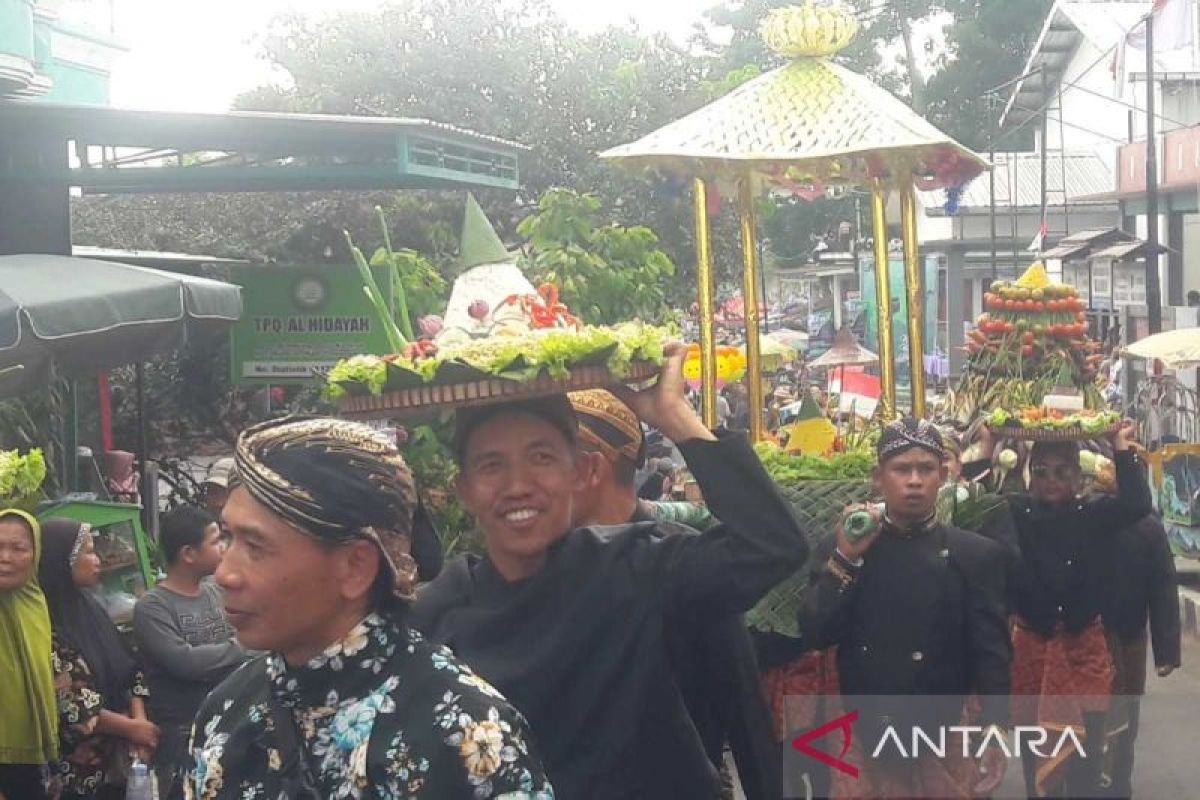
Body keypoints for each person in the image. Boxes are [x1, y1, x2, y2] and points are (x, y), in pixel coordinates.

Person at [411, 345, 807, 798]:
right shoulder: (436, 615)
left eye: (541, 458)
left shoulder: (639, 568)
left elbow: (772, 546)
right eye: (491, 465)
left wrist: (675, 417)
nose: (517, 486)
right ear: (464, 489)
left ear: (581, 471)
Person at [184, 417, 552, 799]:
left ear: (355, 566)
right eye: (228, 537)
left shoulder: (465, 733)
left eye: (256, 547)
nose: (225, 573)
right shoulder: (226, 712)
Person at [566, 389, 778, 800]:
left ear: (592, 466)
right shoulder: (552, 564)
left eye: (549, 460)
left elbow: (742, 704)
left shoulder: (680, 563)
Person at [795, 418, 1011, 799]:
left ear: (943, 475)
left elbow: (992, 652)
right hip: (863, 731)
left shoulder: (975, 554)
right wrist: (846, 559)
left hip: (945, 729)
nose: (914, 480)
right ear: (878, 477)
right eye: (901, 469)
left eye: (925, 469)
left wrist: (995, 728)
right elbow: (815, 629)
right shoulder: (844, 545)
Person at [967, 423, 1151, 798]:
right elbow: (977, 501)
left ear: (1078, 475)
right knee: (1040, 761)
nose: (1052, 480)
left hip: (1085, 651)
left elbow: (1137, 505)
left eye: (1062, 471)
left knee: (1087, 755)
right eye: (1042, 471)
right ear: (1030, 475)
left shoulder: (1095, 513)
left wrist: (1119, 444)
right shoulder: (1016, 511)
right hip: (1034, 649)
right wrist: (988, 444)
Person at [133, 506, 250, 798]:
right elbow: (184, 662)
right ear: (188, 553)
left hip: (228, 722)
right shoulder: (154, 607)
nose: (223, 548)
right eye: (214, 541)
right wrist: (242, 649)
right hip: (182, 734)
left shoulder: (214, 592)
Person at [39, 518, 158, 800]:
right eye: (88, 552)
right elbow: (72, 706)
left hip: (120, 762)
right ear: (62, 560)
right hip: (78, 776)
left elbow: (130, 666)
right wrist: (132, 729)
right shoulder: (45, 622)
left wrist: (139, 722)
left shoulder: (90, 606)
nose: (97, 560)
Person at [1100, 506, 1181, 798]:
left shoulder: (1145, 525)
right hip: (1079, 641)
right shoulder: (1073, 516)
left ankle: (1118, 785)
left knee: (1124, 721)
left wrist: (1166, 649)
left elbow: (1162, 585)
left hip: (1127, 640)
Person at [0, 509, 57, 800]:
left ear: (35, 555)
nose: (5, 557)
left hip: (33, 754)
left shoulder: (35, 603)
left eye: (18, 548)